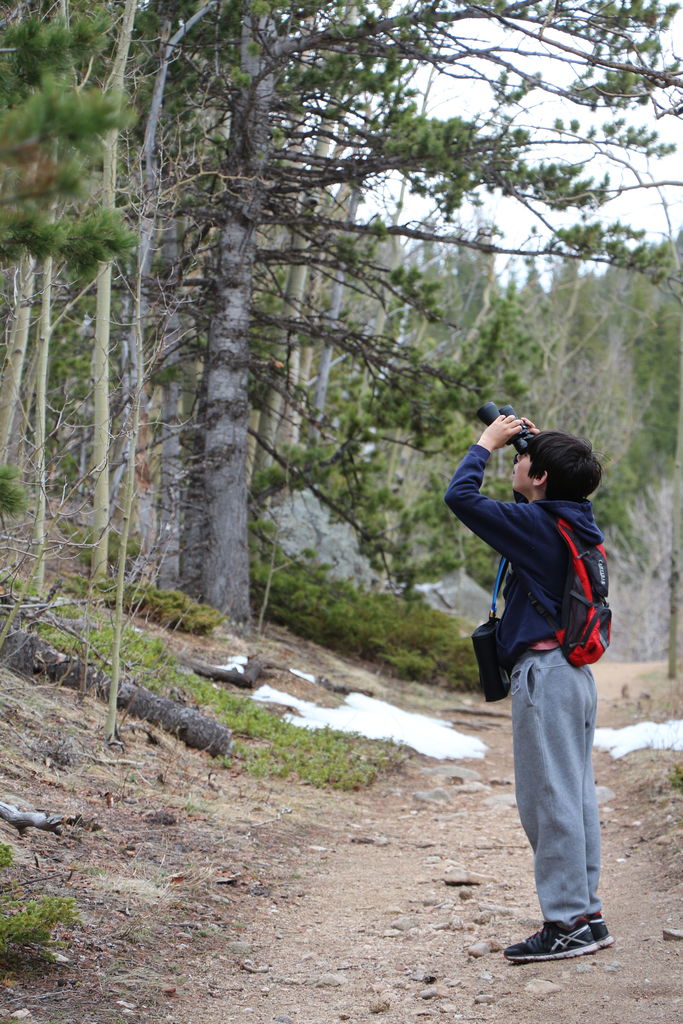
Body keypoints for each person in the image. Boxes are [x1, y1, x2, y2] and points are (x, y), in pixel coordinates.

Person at [444, 412, 614, 963]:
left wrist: (484, 444)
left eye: (522, 459)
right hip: (574, 676)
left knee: (548, 801)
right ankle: (585, 916)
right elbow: (529, 512)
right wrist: (541, 451)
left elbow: (461, 498)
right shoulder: (572, 518)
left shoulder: (540, 526)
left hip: (546, 676)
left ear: (540, 477)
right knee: (575, 797)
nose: (515, 460)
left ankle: (565, 923)